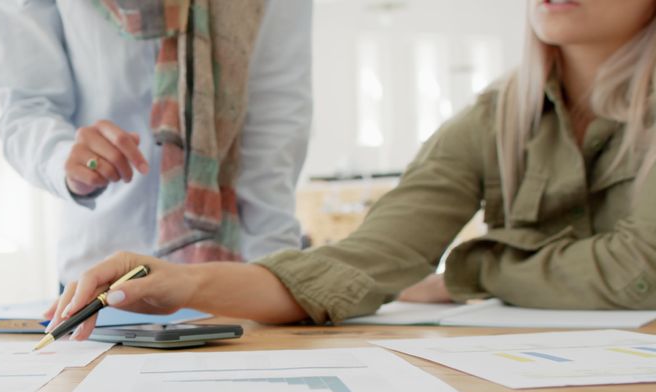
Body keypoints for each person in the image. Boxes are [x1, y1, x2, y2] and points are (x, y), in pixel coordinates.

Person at [49, 0, 656, 340]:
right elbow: (363, 262)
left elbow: (640, 270)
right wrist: (185, 283)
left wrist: (474, 267)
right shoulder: (496, 117)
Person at [0, 0, 312, 286]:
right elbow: (25, 103)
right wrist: (64, 158)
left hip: (235, 274)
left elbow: (277, 108)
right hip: (102, 272)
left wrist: (273, 266)